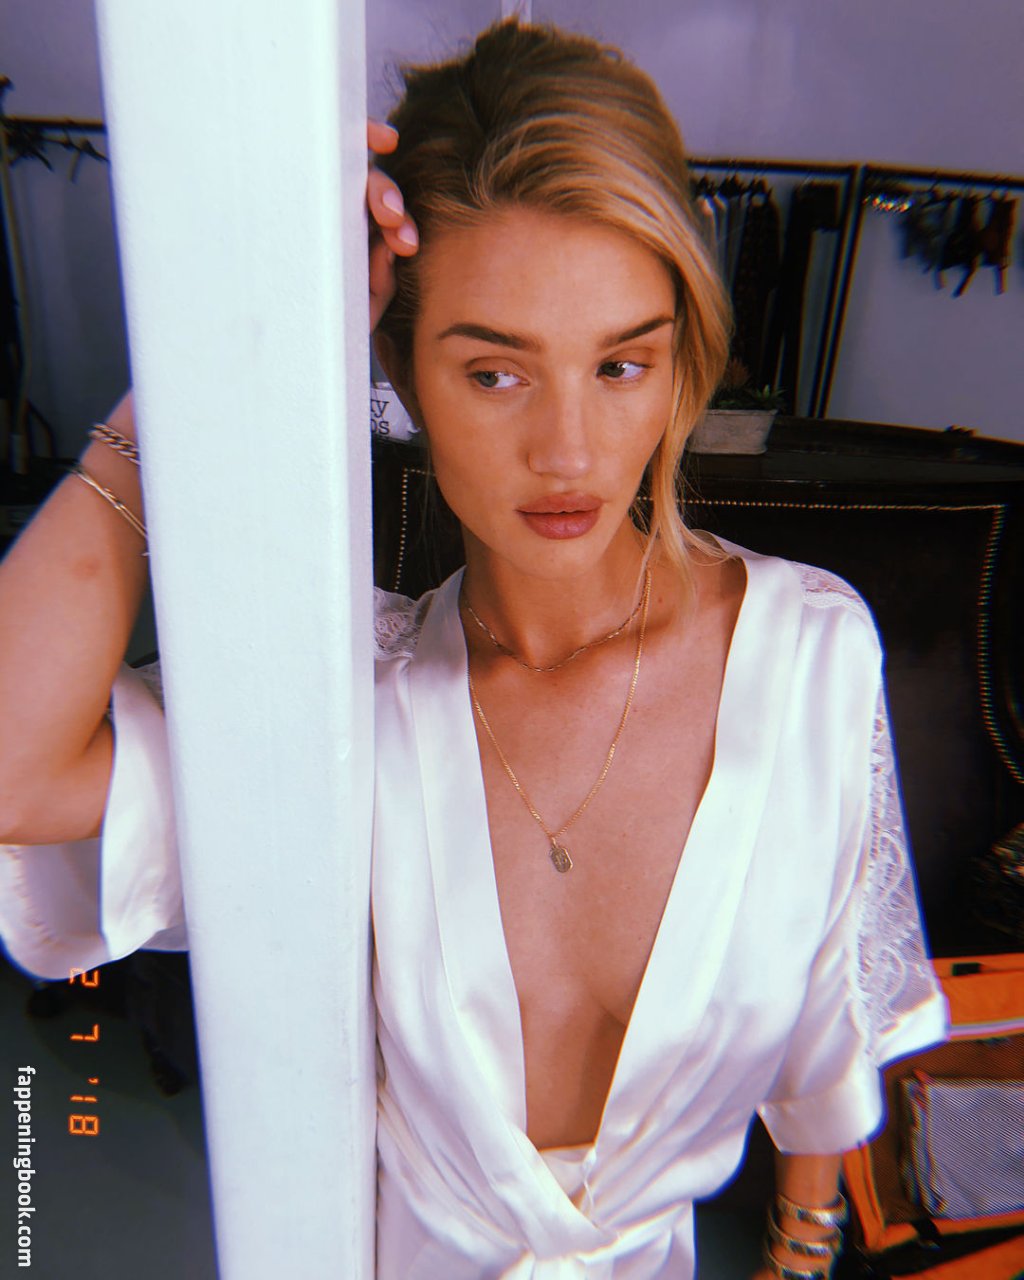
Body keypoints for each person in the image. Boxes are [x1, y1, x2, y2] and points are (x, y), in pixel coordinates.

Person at [0, 18, 948, 1280]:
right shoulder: (348, 707)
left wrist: (800, 1247)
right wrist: (200, 369)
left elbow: (832, 1015)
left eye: (620, 364)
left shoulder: (809, 653)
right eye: (495, 373)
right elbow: (16, 769)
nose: (569, 451)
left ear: (678, 365)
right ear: (396, 365)